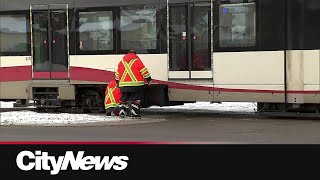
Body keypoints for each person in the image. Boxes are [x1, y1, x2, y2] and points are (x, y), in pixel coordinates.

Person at [115, 50, 152, 119]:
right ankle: (134, 113)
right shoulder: (137, 61)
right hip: (136, 85)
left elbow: (117, 74)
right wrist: (149, 79)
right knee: (135, 99)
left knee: (124, 98)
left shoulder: (121, 62)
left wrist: (117, 82)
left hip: (123, 85)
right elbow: (144, 71)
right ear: (135, 54)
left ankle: (122, 111)